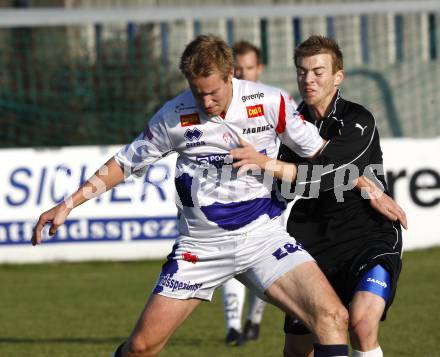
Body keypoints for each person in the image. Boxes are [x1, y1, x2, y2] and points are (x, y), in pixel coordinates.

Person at [32, 35, 350, 357]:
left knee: (331, 317)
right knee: (141, 347)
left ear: (231, 76)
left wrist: (364, 187)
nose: (207, 102)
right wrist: (68, 204)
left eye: (213, 92)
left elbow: (323, 157)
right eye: (199, 93)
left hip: (263, 238)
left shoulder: (271, 102)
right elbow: (126, 163)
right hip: (201, 246)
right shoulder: (174, 115)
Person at [229, 35, 407, 357]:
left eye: (318, 71)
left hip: (367, 232)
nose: (308, 79)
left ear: (338, 76)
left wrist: (272, 164)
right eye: (302, 71)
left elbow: (328, 169)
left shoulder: (358, 120)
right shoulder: (286, 125)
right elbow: (286, 187)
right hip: (311, 238)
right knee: (299, 349)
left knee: (362, 325)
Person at [221, 40, 298, 346]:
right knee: (229, 261)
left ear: (259, 69)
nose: (242, 73)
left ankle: (253, 321)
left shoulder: (274, 100)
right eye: (237, 68)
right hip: (229, 197)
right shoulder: (218, 105)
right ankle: (232, 327)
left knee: (267, 264)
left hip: (269, 198)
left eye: (248, 68)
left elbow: (296, 143)